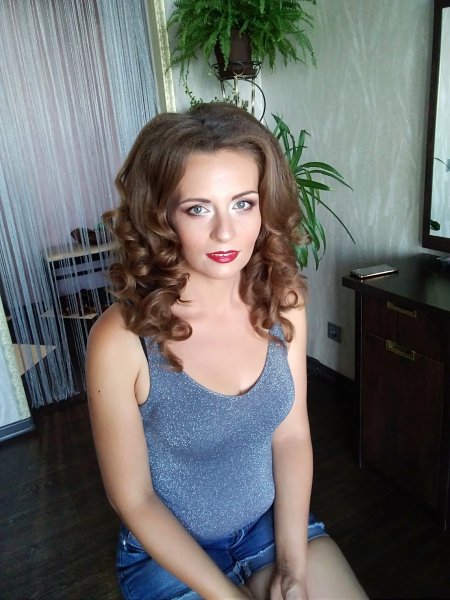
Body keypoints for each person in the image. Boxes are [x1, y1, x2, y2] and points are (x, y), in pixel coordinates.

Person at [86, 103, 367, 600]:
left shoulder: (284, 302)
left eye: (243, 203)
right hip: (166, 554)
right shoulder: (121, 339)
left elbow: (291, 437)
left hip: (269, 527)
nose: (225, 232)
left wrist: (291, 565)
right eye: (198, 208)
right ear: (161, 215)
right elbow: (134, 499)